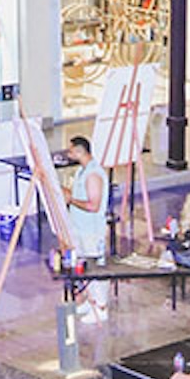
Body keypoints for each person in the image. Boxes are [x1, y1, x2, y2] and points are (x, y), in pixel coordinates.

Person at [65, 135, 112, 324]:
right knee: (84, 267)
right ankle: (90, 301)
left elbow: (93, 205)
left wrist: (71, 200)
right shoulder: (81, 171)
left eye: (70, 151)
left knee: (95, 269)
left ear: (79, 151)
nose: (68, 154)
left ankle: (101, 307)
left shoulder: (93, 175)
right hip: (79, 228)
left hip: (91, 231)